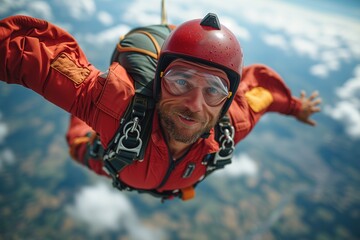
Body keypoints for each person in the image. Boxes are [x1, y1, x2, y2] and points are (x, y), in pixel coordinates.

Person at [0, 13, 321, 201]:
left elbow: (261, 95)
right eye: (180, 81)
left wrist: (294, 107)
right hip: (105, 145)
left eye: (214, 89)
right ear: (159, 80)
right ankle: (87, 117)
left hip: (124, 151)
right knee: (79, 142)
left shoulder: (232, 124)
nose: (194, 104)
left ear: (227, 99)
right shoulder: (117, 105)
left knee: (93, 110)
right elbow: (29, 56)